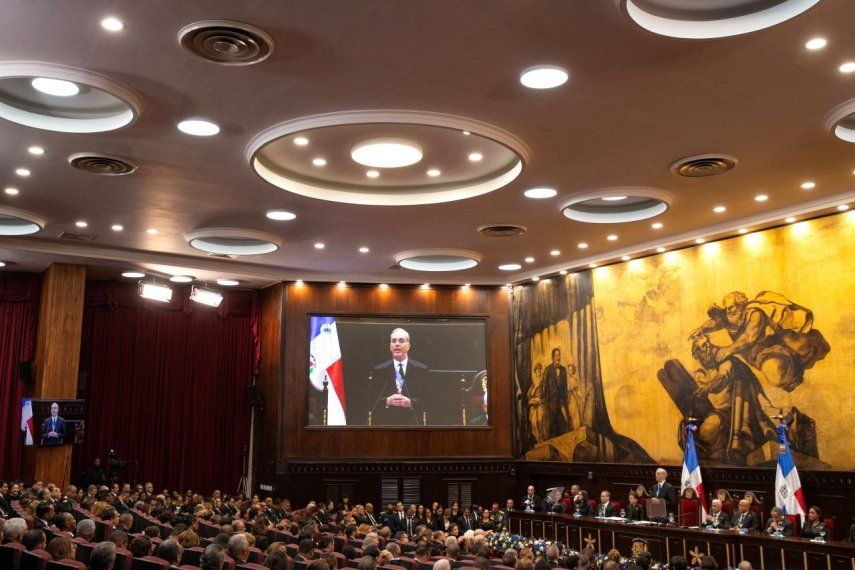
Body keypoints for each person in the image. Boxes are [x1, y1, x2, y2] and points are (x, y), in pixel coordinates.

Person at [371, 328, 430, 426]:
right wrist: (387, 401)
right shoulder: (379, 370)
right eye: (393, 341)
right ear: (390, 346)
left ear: (408, 346)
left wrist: (411, 403)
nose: (397, 344)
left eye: (401, 341)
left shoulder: (421, 369)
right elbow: (371, 399)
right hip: (386, 424)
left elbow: (429, 399)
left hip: (412, 424)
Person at [540, 348, 570, 439]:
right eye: (556, 355)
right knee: (551, 425)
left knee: (565, 421)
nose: (558, 357)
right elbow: (544, 385)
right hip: (551, 402)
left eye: (559, 355)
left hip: (561, 401)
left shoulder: (563, 370)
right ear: (553, 357)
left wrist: (565, 399)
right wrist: (544, 400)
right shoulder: (548, 370)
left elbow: (564, 385)